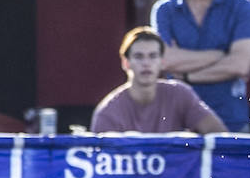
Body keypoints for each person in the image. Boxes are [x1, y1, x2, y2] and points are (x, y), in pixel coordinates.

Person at [150, 0, 250, 132]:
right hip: (178, 121)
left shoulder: (241, 6)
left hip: (230, 120)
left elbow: (240, 65)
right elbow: (165, 59)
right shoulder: (164, 9)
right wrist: (219, 56)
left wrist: (187, 76)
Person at [91, 27, 226, 134]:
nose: (146, 63)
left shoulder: (180, 94)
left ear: (162, 62)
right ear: (126, 63)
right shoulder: (108, 112)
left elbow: (219, 134)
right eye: (139, 57)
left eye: (153, 56)